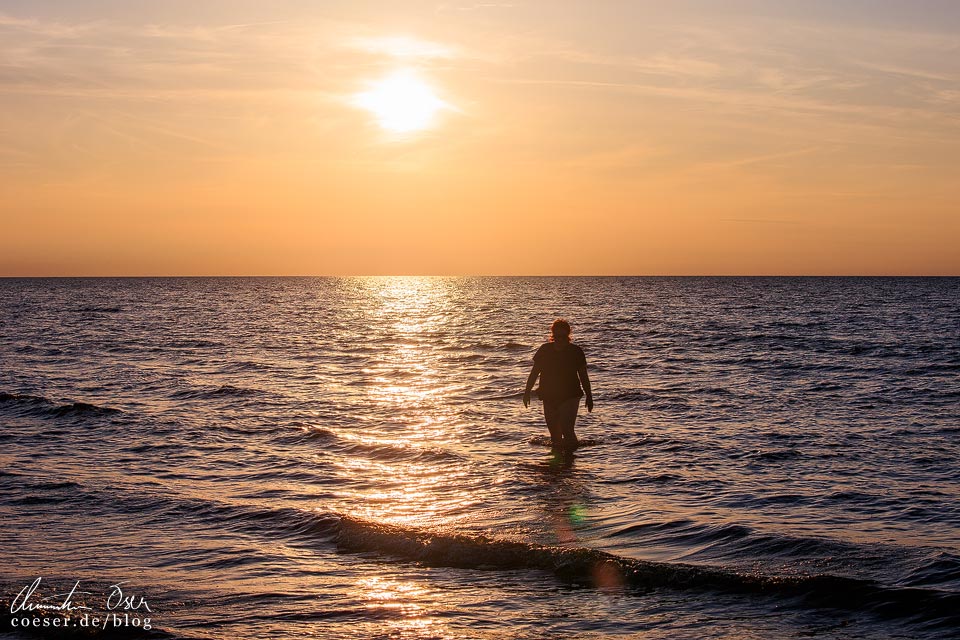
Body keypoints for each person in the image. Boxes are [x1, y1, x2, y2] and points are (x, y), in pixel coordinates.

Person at [523, 318, 593, 451]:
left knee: (567, 430)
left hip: (570, 395)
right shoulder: (544, 350)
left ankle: (570, 463)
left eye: (563, 336)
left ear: (568, 335)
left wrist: (589, 396)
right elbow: (534, 373)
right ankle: (557, 467)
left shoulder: (576, 351)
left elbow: (583, 376)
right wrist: (527, 392)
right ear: (552, 336)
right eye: (557, 336)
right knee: (555, 436)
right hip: (549, 395)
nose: (560, 339)